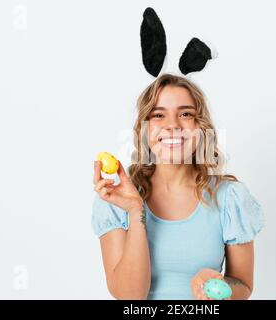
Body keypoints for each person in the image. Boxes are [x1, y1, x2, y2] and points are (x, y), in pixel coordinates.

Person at [92, 73, 265, 300]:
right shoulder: (117, 197)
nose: (172, 125)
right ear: (144, 129)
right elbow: (130, 297)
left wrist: (220, 285)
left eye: (185, 114)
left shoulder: (230, 197)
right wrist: (136, 211)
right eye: (158, 115)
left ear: (200, 126)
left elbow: (243, 285)